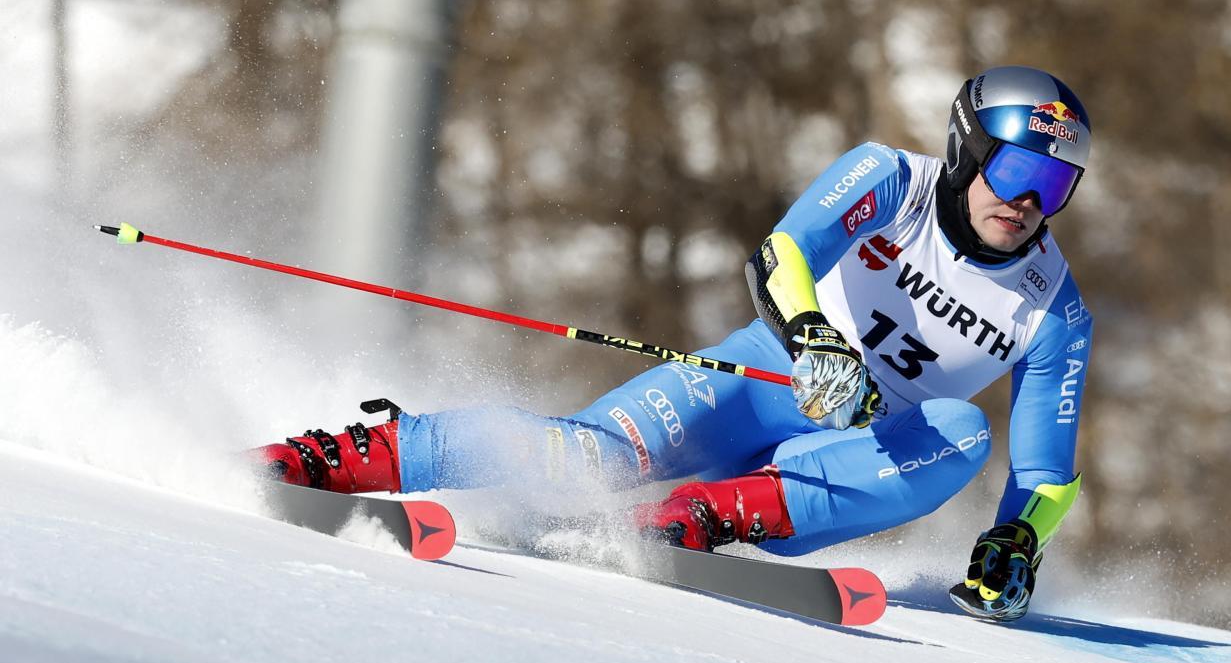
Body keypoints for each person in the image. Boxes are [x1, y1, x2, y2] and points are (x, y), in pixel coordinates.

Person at [251, 65, 1093, 622]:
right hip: (757, 378)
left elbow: (1047, 471)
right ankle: (340, 458)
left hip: (854, 457)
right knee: (581, 457)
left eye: (1053, 186)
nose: (1027, 203)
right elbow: (780, 256)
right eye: (1017, 170)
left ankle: (690, 520)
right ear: (969, 150)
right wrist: (815, 342)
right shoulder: (890, 180)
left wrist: (1018, 540)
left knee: (963, 434)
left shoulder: (1052, 306)